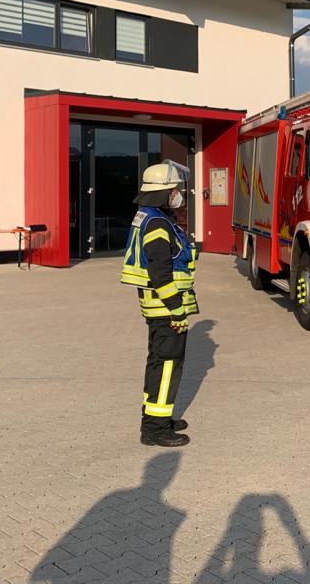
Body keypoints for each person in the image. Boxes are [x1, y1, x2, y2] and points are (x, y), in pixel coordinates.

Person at [120, 161, 198, 447]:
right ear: (163, 192)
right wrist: (177, 309)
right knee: (167, 367)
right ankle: (155, 429)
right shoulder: (157, 223)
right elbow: (160, 272)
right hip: (166, 309)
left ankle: (157, 417)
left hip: (158, 308)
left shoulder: (149, 217)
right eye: (174, 190)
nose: (178, 194)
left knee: (158, 363)